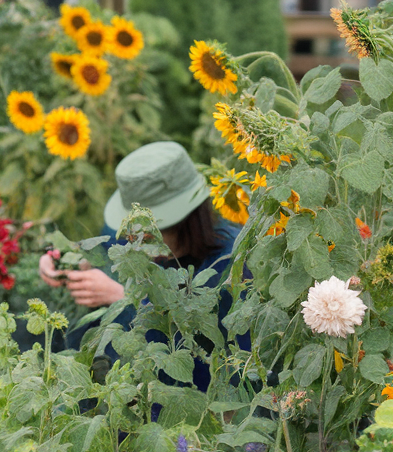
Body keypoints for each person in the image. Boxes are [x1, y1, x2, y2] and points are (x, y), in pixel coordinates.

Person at [38, 141, 245, 392]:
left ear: (185, 222)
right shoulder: (130, 235)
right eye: (132, 233)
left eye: (147, 236)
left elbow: (205, 361)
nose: (135, 243)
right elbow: (103, 252)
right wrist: (64, 261)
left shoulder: (230, 265)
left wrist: (123, 299)